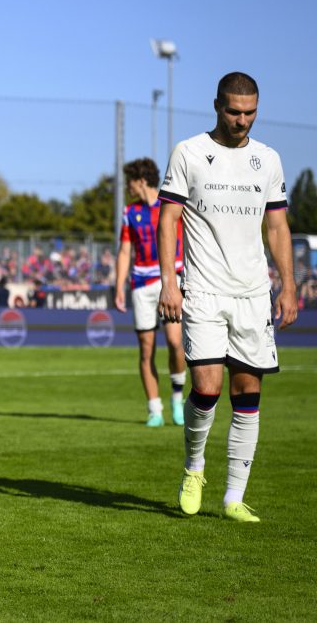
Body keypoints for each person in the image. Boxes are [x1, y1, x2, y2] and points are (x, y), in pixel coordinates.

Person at [158, 72, 297, 523]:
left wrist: (288, 284)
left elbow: (276, 226)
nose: (242, 121)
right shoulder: (190, 153)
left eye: (250, 113)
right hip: (203, 288)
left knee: (248, 391)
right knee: (206, 387)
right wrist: (169, 281)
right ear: (216, 106)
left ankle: (234, 497)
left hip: (254, 293)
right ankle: (194, 469)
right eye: (234, 112)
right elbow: (168, 219)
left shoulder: (268, 160)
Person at [114, 157, 187, 427]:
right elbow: (124, 251)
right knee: (146, 350)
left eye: (130, 182)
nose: (128, 187)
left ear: (141, 181)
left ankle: (177, 398)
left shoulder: (172, 206)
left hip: (169, 280)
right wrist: (119, 285)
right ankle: (154, 409)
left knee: (175, 342)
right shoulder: (129, 212)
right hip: (141, 285)